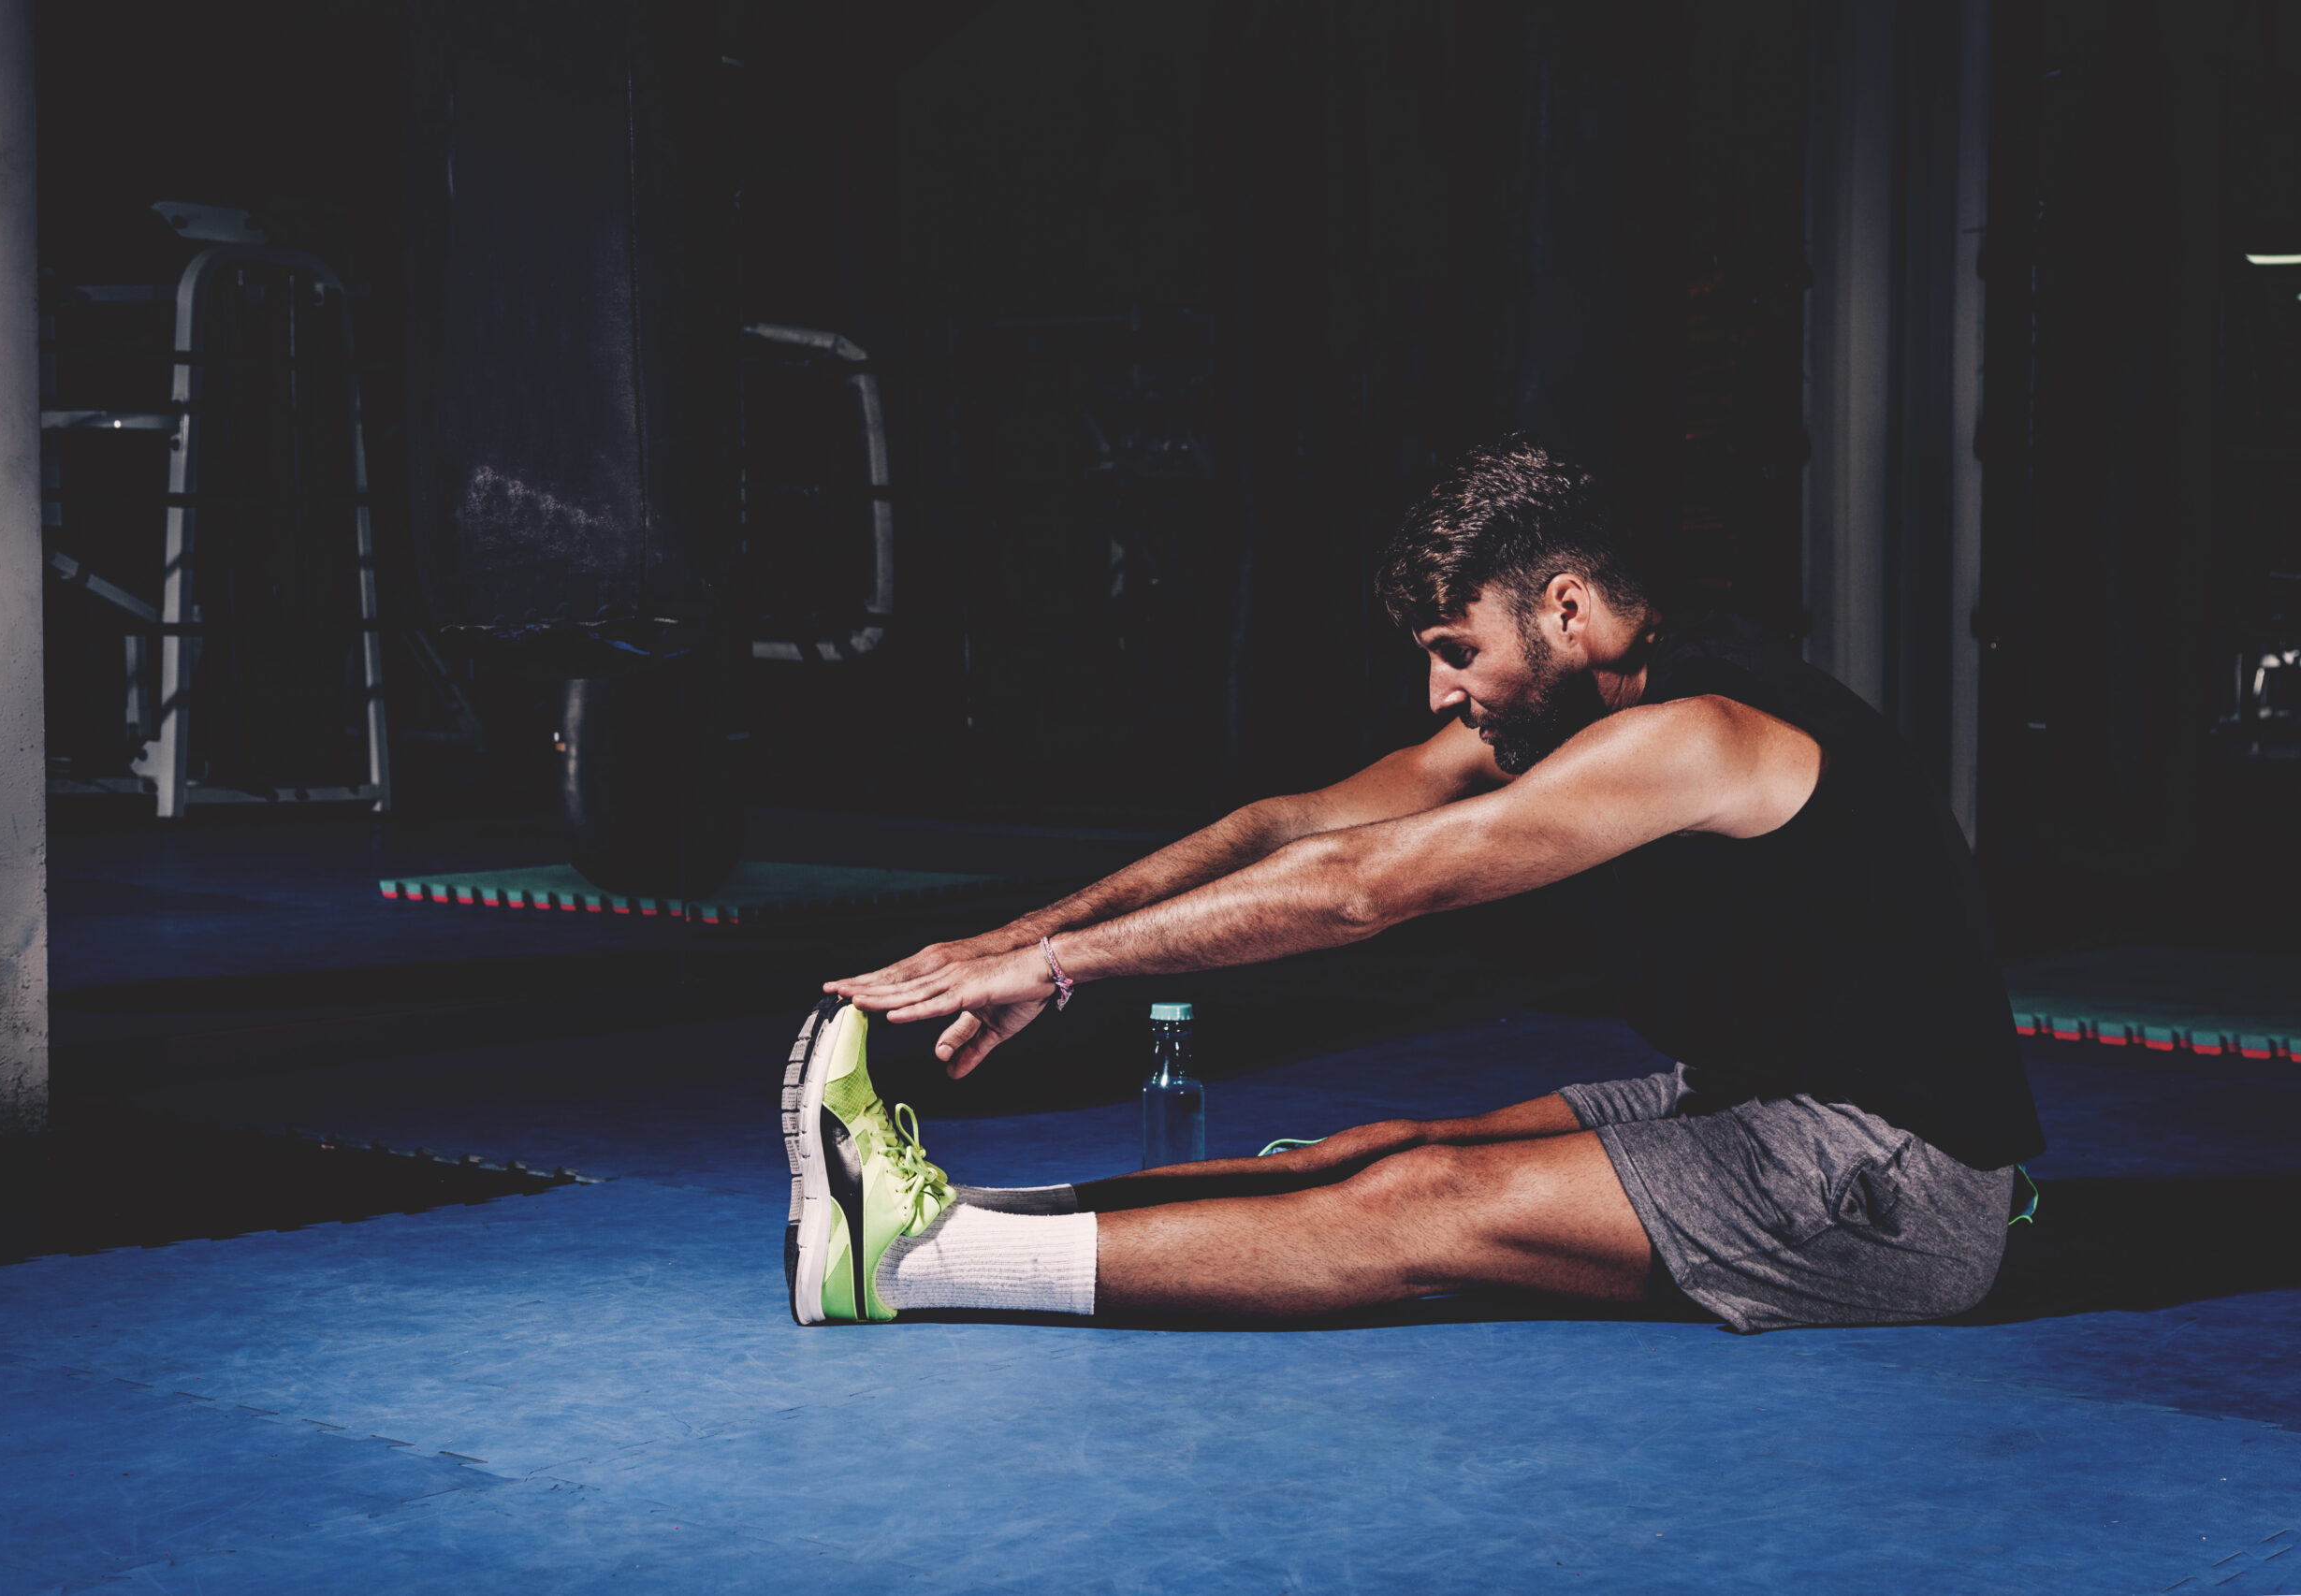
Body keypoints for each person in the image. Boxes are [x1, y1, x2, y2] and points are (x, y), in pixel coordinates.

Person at [784, 439, 2044, 1333]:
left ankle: (913, 1261)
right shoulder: (1563, 715)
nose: (1441, 695)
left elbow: (1364, 888)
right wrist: (1018, 934)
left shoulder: (1698, 734)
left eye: (1459, 652)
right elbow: (1292, 823)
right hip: (1755, 1095)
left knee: (1418, 1202)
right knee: (1378, 1146)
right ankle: (925, 1210)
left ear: (1567, 609)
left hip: (1890, 1180)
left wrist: (1060, 973)